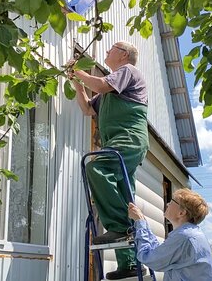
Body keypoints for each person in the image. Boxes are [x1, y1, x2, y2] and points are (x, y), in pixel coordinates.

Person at [67, 41, 149, 279]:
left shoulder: (127, 72)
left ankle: (119, 228)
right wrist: (77, 82)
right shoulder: (112, 90)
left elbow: (101, 85)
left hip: (128, 139)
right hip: (119, 144)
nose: (106, 52)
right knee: (126, 197)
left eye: (110, 49)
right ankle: (130, 264)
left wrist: (77, 72)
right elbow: (87, 110)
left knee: (97, 168)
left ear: (123, 55)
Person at [128, 188, 212, 280]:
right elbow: (158, 252)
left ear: (181, 213)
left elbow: (148, 258)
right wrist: (143, 223)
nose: (167, 204)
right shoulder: (190, 234)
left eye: (172, 202)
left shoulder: (184, 237)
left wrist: (140, 222)